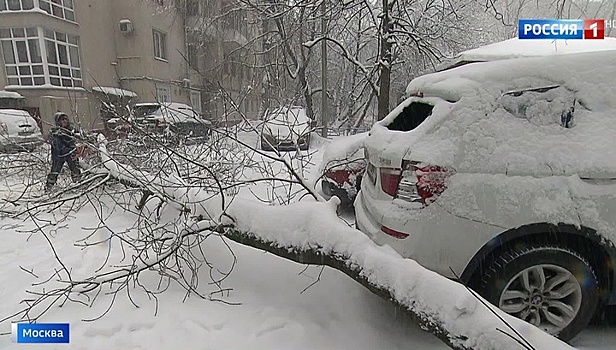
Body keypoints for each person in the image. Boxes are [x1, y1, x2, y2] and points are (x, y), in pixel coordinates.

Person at [45, 112, 82, 193]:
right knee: (54, 171)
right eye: (62, 120)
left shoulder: (72, 130)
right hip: (58, 155)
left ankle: (78, 184)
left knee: (75, 169)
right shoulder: (55, 132)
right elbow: (57, 145)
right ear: (58, 122)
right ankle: (49, 188)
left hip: (71, 154)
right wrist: (70, 149)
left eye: (66, 119)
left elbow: (79, 137)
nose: (64, 121)